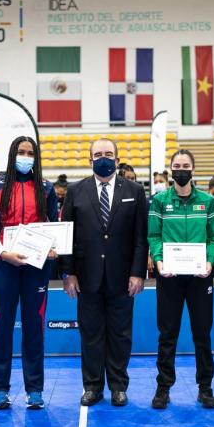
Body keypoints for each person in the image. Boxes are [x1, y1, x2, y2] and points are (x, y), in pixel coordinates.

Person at [60, 138, 148, 408]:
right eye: (98, 154)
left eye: (108, 154)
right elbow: (67, 236)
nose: (103, 158)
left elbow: (140, 236)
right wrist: (69, 273)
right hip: (87, 276)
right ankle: (92, 386)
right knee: (91, 334)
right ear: (90, 160)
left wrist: (138, 272)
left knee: (121, 335)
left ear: (117, 159)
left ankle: (119, 386)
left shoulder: (135, 190)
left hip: (123, 277)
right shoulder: (76, 190)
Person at [0, 136, 58, 410]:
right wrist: (3, 253)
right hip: (5, 267)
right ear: (13, 154)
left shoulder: (46, 188)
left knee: (34, 327)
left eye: (30, 153)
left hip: (35, 269)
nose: (25, 157)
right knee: (1, 327)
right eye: (21, 152)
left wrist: (52, 247)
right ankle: (0, 390)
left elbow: (53, 226)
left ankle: (34, 389)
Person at [148, 149, 214, 409]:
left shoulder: (207, 202)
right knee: (167, 334)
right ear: (170, 169)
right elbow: (154, 237)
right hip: (170, 277)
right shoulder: (159, 201)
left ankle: (206, 387)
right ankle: (163, 387)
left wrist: (210, 262)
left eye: (185, 165)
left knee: (202, 333)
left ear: (192, 169)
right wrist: (158, 261)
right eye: (176, 165)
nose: (181, 169)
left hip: (201, 278)